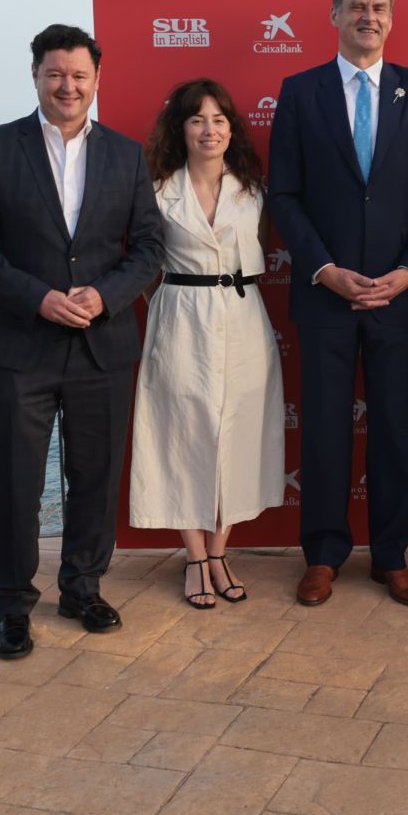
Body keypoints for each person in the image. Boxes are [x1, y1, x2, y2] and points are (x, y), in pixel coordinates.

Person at [0, 25, 164, 658]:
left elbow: (149, 248)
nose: (67, 86)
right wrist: (38, 297)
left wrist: (104, 295)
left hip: (103, 344)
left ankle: (82, 586)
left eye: (79, 75)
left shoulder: (126, 155)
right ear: (35, 77)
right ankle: (11, 605)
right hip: (23, 345)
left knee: (96, 478)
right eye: (55, 74)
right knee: (17, 482)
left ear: (96, 80)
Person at [266, 0, 408, 608]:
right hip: (327, 295)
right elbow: (283, 195)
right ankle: (322, 555)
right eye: (356, 6)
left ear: (392, 19)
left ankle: (392, 556)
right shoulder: (300, 91)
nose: (368, 17)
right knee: (324, 431)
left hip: (398, 297)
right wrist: (324, 269)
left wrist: (407, 273)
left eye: (379, 8)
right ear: (335, 15)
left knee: (397, 431)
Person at [128, 79, 285, 607]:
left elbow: (260, 248)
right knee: (182, 434)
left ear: (231, 130)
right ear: (181, 129)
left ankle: (219, 552)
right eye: (197, 120)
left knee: (238, 433)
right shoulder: (156, 191)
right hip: (180, 317)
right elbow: (143, 262)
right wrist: (171, 305)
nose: (209, 130)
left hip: (243, 317)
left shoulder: (252, 191)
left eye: (219, 120)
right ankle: (194, 557)